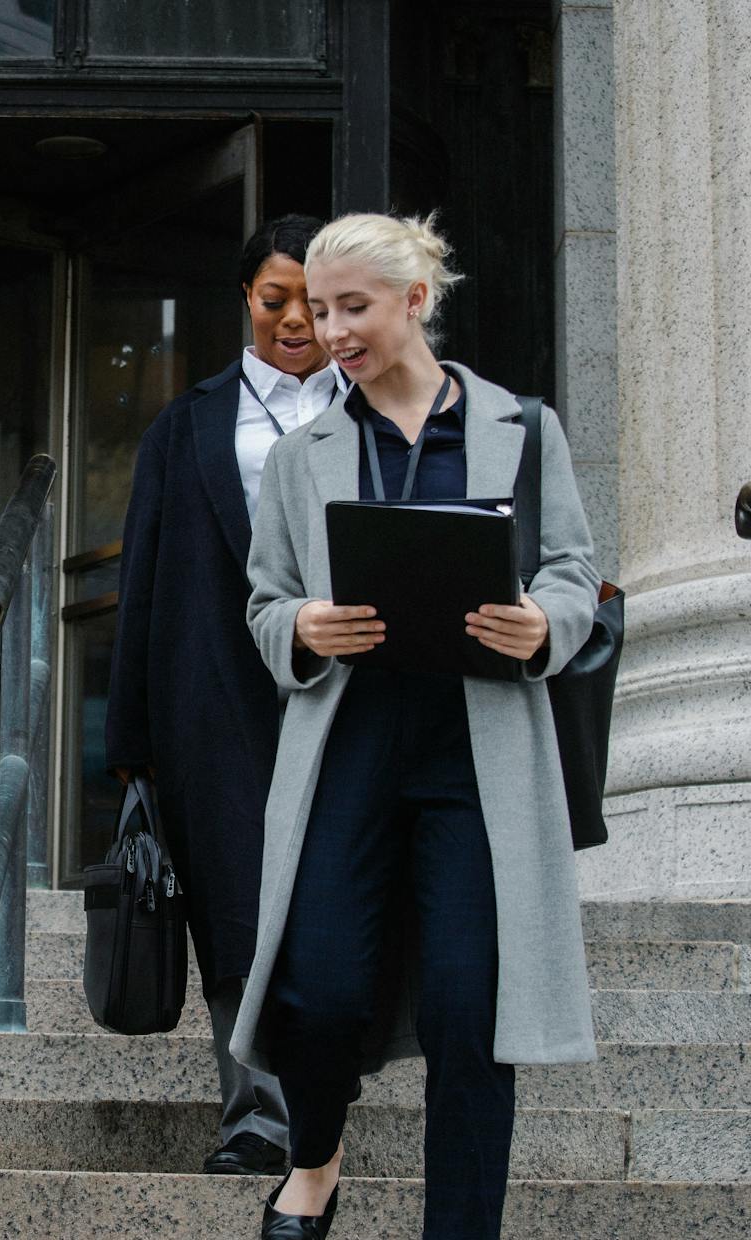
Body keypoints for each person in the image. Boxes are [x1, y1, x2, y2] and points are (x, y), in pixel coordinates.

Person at [231, 212, 598, 1240]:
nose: (331, 329)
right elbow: (266, 600)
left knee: (467, 1014)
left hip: (475, 760)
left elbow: (574, 573)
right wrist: (302, 625)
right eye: (318, 307)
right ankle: (313, 1159)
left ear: (415, 302)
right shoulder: (301, 457)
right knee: (321, 990)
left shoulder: (525, 427)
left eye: (353, 307)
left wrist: (544, 624)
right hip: (348, 750)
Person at [105, 214, 345, 1178]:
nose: (295, 320)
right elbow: (146, 577)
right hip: (214, 695)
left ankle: (325, 1086)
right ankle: (256, 1114)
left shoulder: (375, 408)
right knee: (237, 906)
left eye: (315, 302)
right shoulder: (190, 423)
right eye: (274, 298)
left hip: (344, 687)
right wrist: (132, 741)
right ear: (245, 298)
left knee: (332, 896)